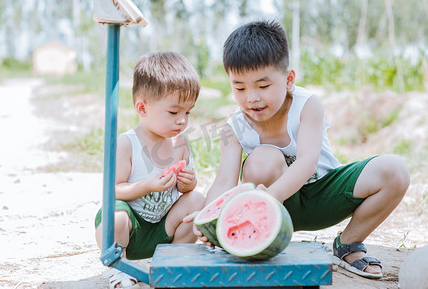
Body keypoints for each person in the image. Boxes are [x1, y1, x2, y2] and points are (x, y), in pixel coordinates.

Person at [187, 20, 410, 279]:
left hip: (320, 195)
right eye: (240, 88)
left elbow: (306, 162)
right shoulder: (232, 128)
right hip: (269, 210)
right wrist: (207, 217)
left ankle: (348, 243)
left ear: (289, 79)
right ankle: (261, 243)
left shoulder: (307, 105)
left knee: (395, 170)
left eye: (263, 85)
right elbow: (224, 180)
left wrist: (270, 196)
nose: (252, 98)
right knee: (262, 160)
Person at [95, 51, 205, 287]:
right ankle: (116, 265)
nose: (182, 121)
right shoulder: (127, 143)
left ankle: (171, 261)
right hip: (130, 230)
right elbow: (111, 191)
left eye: (188, 112)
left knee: (196, 200)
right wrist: (146, 186)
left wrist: (189, 183)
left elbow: (188, 190)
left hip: (161, 228)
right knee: (115, 215)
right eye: (174, 112)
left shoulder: (181, 143)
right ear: (142, 108)